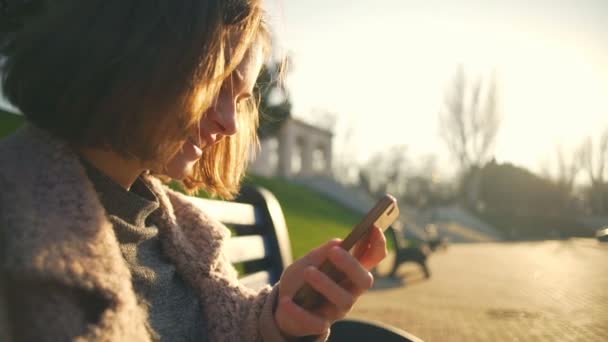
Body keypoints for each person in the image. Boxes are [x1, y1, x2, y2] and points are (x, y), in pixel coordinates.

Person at [0, 1, 388, 341]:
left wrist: (278, 322)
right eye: (216, 83)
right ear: (135, 51)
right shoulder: (17, 219)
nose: (230, 124)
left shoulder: (189, 234)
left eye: (238, 99)